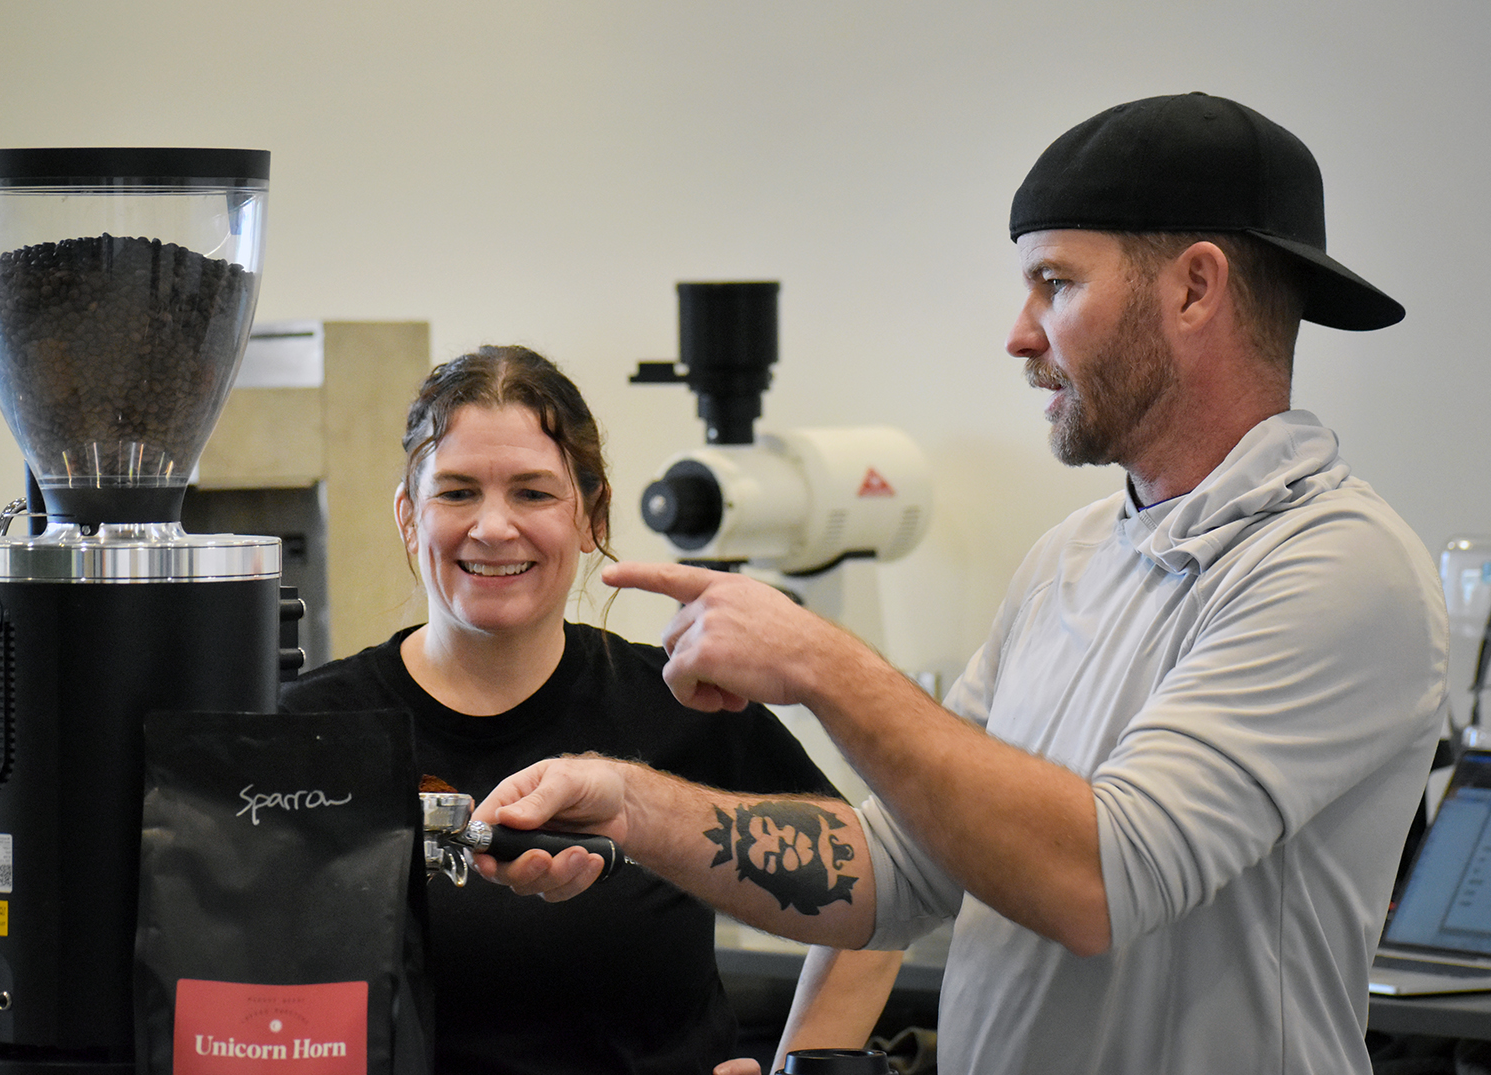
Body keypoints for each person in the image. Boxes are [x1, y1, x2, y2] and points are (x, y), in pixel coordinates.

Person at [473, 93, 1451, 1074]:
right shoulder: (1072, 556)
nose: (1019, 336)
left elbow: (1098, 879)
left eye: (1054, 283)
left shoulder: (1336, 565)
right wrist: (629, 806)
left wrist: (819, 661)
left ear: (1194, 289)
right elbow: (892, 873)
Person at [277, 345, 902, 1075]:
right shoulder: (313, 729)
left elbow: (880, 896)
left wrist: (802, 1064)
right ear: (409, 516)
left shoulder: (681, 703)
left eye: (534, 493)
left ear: (589, 513)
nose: (493, 526)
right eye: (456, 492)